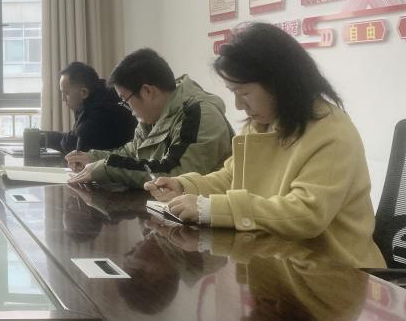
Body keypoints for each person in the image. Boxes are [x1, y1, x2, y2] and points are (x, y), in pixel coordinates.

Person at [143, 23, 385, 268]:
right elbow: (233, 176)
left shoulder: (332, 132)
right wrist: (185, 186)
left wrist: (210, 209)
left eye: (243, 93)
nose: (238, 105)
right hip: (279, 261)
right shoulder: (262, 124)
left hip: (335, 272)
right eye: (233, 92)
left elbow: (306, 214)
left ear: (279, 83)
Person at [67, 48, 233, 189]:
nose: (127, 109)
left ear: (147, 91)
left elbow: (175, 173)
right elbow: (132, 153)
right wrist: (92, 158)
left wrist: (106, 168)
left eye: (125, 100)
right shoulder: (153, 117)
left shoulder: (199, 114)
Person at [44, 61, 136, 154]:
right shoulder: (99, 95)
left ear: (84, 92)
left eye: (66, 93)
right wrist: (44, 136)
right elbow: (74, 136)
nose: (63, 99)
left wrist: (44, 138)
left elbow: (74, 146)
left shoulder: (102, 111)